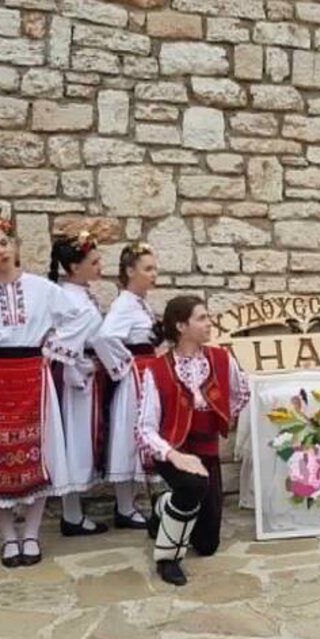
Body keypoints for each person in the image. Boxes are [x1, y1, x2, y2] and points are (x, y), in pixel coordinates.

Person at [0, 212, 90, 568]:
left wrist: (54, 351)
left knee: (39, 451)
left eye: (4, 243)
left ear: (13, 244)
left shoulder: (42, 289)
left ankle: (30, 533)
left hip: (32, 371)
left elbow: (81, 318)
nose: (0, 252)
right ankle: (8, 537)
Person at [135, 295, 250, 586]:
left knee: (208, 544)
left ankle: (162, 506)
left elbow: (240, 393)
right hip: (172, 452)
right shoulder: (157, 370)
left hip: (207, 452)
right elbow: (145, 429)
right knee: (192, 484)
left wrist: (222, 416)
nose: (209, 322)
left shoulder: (222, 359)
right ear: (181, 326)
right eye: (202, 318)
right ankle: (167, 558)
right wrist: (174, 455)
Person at [93, 242, 161, 530]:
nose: (154, 274)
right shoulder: (124, 304)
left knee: (142, 432)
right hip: (136, 375)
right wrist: (124, 366)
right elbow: (105, 337)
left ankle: (129, 504)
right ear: (130, 271)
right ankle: (124, 507)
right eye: (148, 269)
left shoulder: (138, 302)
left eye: (155, 268)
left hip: (146, 373)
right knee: (131, 434)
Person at [48, 232, 109, 536]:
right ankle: (71, 514)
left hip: (87, 372)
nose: (100, 266)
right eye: (94, 262)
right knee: (74, 441)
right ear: (74, 267)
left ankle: (74, 511)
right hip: (75, 379)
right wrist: (80, 366)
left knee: (82, 441)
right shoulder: (68, 298)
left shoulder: (80, 294)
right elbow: (57, 342)